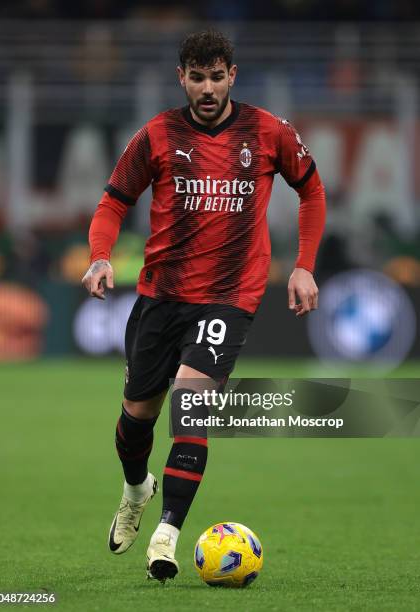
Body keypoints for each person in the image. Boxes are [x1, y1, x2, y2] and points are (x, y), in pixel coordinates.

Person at [82, 29, 326, 583]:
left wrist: (305, 263)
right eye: (198, 77)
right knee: (135, 419)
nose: (209, 87)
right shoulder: (158, 135)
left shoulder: (267, 131)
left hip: (229, 295)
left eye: (218, 76)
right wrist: (100, 257)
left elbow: (311, 191)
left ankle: (166, 535)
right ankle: (136, 489)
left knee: (191, 401)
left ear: (232, 75)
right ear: (182, 79)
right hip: (160, 296)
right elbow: (113, 201)